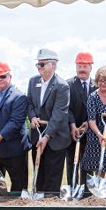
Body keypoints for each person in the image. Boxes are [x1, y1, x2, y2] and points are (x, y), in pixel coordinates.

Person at [0, 62, 31, 191]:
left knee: (19, 187)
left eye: (3, 76)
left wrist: (1, 135)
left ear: (10, 76)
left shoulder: (19, 97)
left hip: (15, 148)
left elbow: (16, 121)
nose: (0, 80)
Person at [26, 48, 71, 192]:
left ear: (53, 65)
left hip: (55, 139)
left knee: (52, 180)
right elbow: (29, 103)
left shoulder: (62, 86)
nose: (39, 67)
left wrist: (46, 136)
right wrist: (32, 117)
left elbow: (59, 114)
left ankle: (50, 206)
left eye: (42, 64)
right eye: (38, 64)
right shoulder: (33, 82)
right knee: (39, 176)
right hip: (36, 136)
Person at [80, 66, 106, 196]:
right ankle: (100, 190)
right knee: (100, 162)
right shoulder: (93, 97)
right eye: (100, 80)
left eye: (105, 80)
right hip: (96, 133)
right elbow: (91, 120)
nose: (102, 83)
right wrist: (99, 134)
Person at [65, 52, 97, 186]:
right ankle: (72, 190)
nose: (82, 69)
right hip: (72, 132)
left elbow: (99, 107)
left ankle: (87, 193)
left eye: (85, 66)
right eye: (79, 65)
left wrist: (90, 122)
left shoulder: (97, 86)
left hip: (91, 133)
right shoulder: (68, 85)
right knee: (72, 163)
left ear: (91, 67)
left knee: (88, 166)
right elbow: (67, 108)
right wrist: (73, 125)